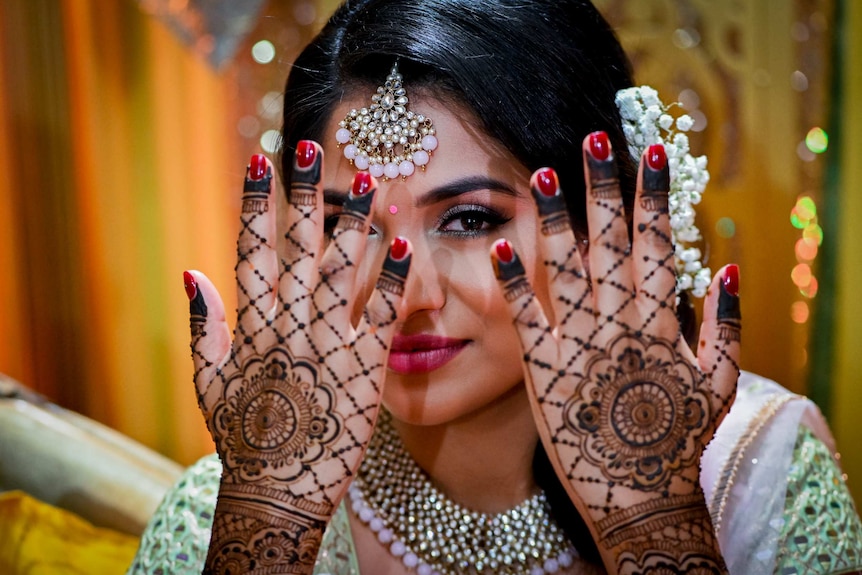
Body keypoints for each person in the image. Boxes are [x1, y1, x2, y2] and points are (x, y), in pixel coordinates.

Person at [128, 1, 862, 574]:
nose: (406, 295)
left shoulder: (750, 469)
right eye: (350, 224)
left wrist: (652, 520)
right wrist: (269, 528)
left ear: (601, 218)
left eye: (470, 219)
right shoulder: (233, 504)